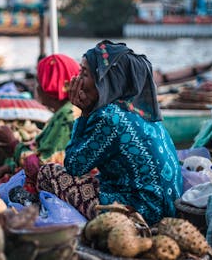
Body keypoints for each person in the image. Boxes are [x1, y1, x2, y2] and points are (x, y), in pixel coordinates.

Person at [37, 40, 183, 224]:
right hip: (163, 206)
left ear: (104, 81)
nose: (77, 80)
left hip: (141, 212)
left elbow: (73, 165)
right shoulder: (139, 111)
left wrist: (84, 115)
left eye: (84, 73)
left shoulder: (109, 116)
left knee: (48, 173)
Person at [0, 54, 81, 192]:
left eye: (39, 80)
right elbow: (41, 151)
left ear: (48, 86)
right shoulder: (63, 111)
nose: (37, 86)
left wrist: (12, 142)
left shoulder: (67, 117)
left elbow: (41, 168)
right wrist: (8, 167)